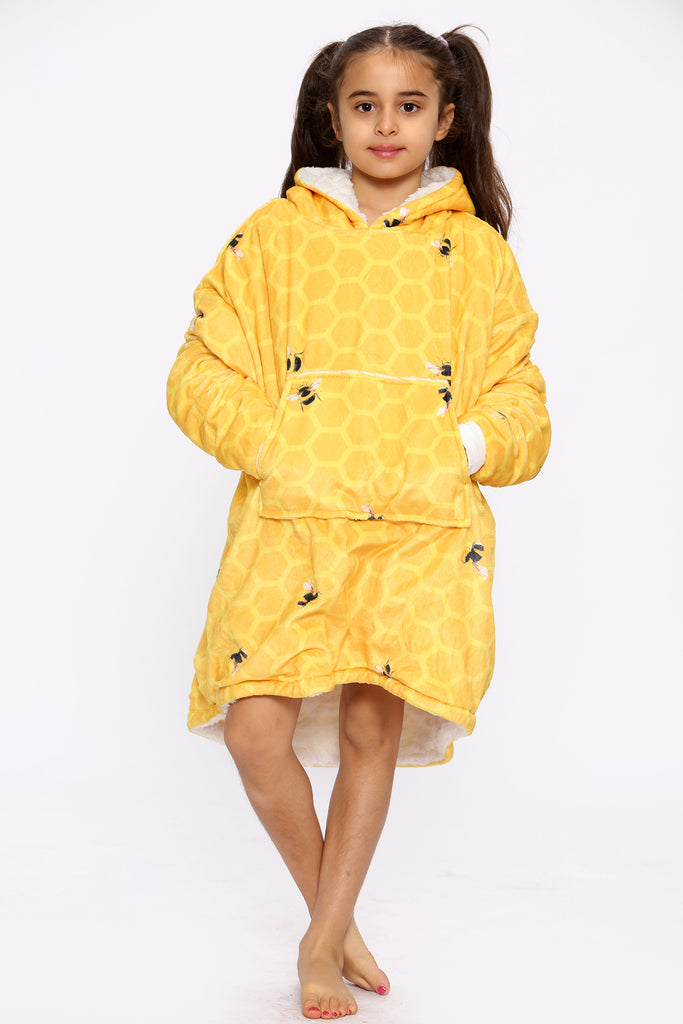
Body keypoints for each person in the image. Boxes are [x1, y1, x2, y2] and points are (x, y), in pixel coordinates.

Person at [167, 23, 550, 1020]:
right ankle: (331, 924)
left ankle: (316, 947)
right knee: (255, 729)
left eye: (409, 105)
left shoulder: (476, 255)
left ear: (445, 118)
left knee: (373, 724)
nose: (387, 125)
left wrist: (460, 447)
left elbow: (520, 399)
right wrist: (277, 441)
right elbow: (199, 367)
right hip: (293, 515)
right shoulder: (275, 235)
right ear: (331, 117)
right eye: (365, 105)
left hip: (413, 527)